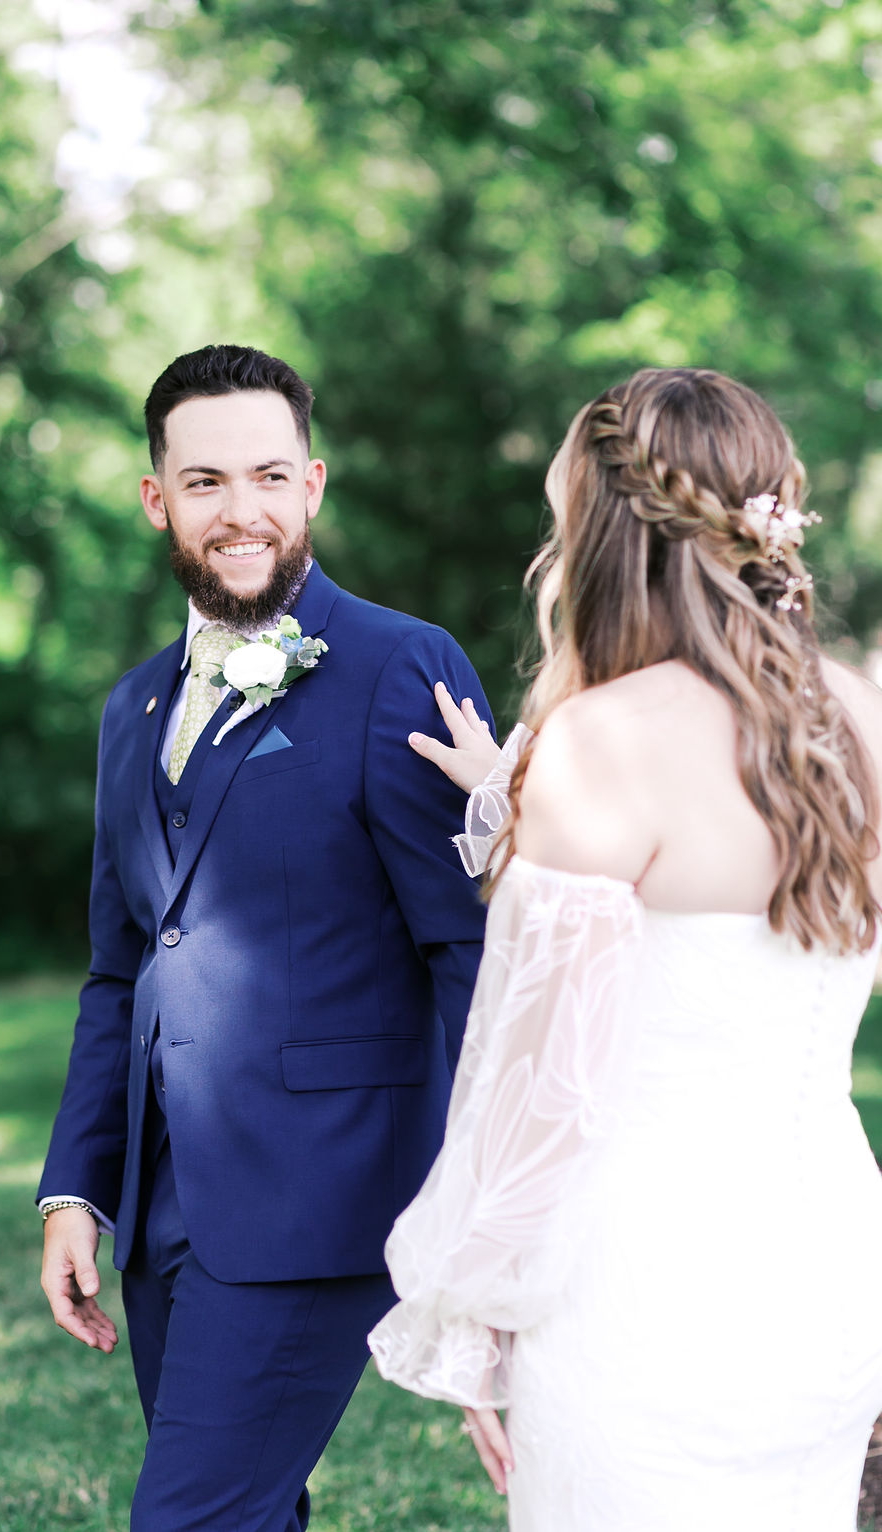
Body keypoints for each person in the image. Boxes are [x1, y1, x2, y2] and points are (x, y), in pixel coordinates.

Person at [368, 366, 882, 1529]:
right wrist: (506, 787)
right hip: (835, 1272)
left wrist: (476, 1319)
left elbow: (535, 1088)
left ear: (599, 535)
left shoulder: (598, 744)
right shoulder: (859, 718)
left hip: (643, 1299)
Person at [37, 344, 493, 1532]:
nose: (242, 510)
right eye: (204, 482)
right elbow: (120, 965)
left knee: (190, 1519)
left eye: (268, 476)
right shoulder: (129, 709)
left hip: (325, 1198)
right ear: (157, 499)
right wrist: (77, 1189)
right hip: (164, 1206)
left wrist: (476, 1203)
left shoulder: (403, 666)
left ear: (314, 485)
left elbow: (474, 952)